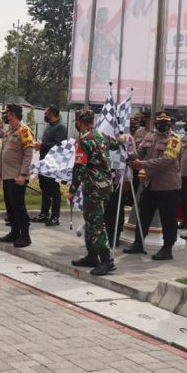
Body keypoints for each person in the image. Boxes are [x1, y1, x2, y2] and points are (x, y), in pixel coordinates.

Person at [125, 111, 182, 260]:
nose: (161, 125)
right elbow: (139, 153)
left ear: (169, 124)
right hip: (150, 183)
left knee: (168, 218)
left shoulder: (174, 140)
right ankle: (138, 243)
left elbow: (167, 160)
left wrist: (141, 164)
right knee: (143, 214)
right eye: (159, 122)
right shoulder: (150, 136)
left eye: (165, 123)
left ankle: (167, 248)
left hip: (168, 186)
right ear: (155, 123)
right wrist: (127, 153)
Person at [67, 109, 115, 275]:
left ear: (80, 121)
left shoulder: (85, 141)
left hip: (95, 188)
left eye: (77, 121)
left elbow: (79, 168)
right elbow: (116, 143)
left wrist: (72, 190)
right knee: (90, 220)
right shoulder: (101, 136)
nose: (76, 124)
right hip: (103, 186)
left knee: (95, 224)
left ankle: (106, 260)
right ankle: (92, 256)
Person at [0, 104, 34, 248]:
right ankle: (14, 232)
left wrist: (23, 174)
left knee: (18, 206)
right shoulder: (10, 131)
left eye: (7, 114)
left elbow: (28, 154)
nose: (5, 117)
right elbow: (2, 154)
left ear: (12, 114)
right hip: (7, 176)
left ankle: (25, 236)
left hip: (17, 177)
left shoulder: (24, 131)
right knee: (10, 206)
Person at [33, 105, 67, 225]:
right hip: (44, 162)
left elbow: (59, 145)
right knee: (45, 188)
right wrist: (40, 145)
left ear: (52, 113)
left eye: (46, 113)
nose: (45, 115)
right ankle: (44, 214)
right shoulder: (49, 127)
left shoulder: (61, 127)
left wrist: (43, 145)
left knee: (54, 190)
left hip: (54, 164)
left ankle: (55, 217)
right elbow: (47, 143)